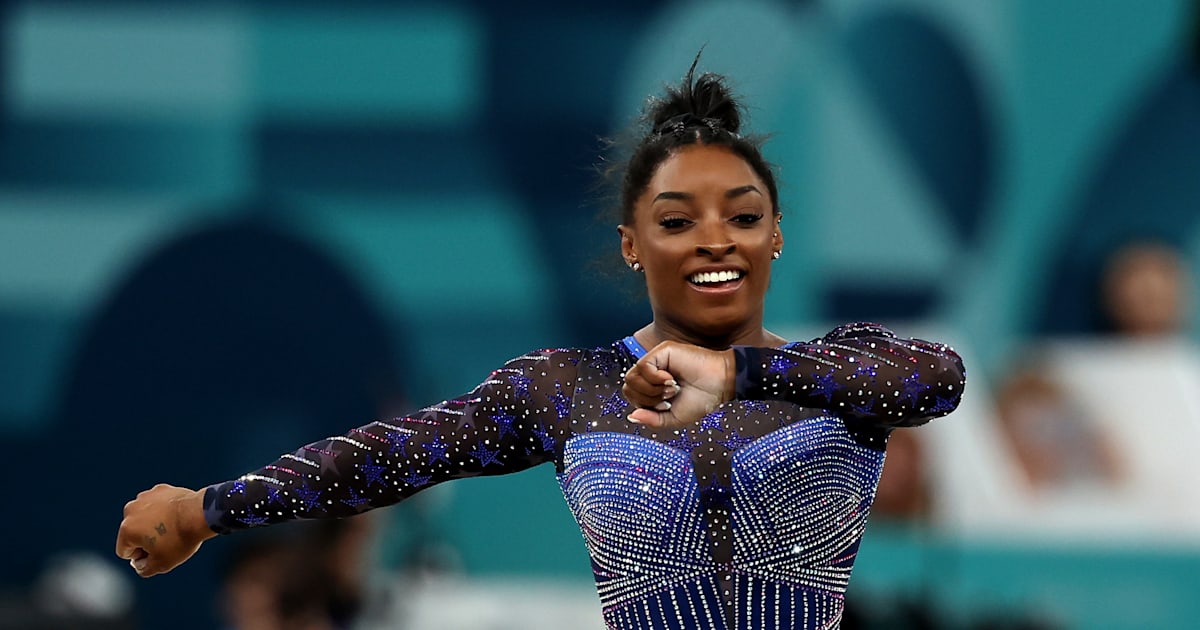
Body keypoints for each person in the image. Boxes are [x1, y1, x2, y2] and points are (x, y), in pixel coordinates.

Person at [116, 63, 965, 629]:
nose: (716, 241)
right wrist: (207, 509)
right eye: (677, 222)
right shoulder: (570, 389)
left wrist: (739, 371)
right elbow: (384, 457)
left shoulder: (839, 374)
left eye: (744, 217)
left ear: (777, 235)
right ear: (632, 243)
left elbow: (938, 378)